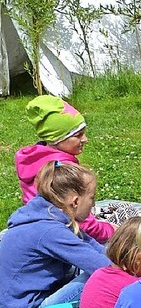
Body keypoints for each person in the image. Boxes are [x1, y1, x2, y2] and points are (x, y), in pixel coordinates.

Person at [0, 161, 111, 308]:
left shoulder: (47, 214)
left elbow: (95, 247)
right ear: (75, 201)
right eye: (92, 197)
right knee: (100, 277)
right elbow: (105, 268)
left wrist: (126, 258)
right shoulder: (51, 231)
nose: (93, 204)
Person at [15, 95, 115, 243]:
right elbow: (80, 220)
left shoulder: (36, 159)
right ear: (58, 139)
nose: (85, 139)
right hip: (62, 232)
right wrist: (110, 231)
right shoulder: (62, 170)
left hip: (35, 225)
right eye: (78, 135)